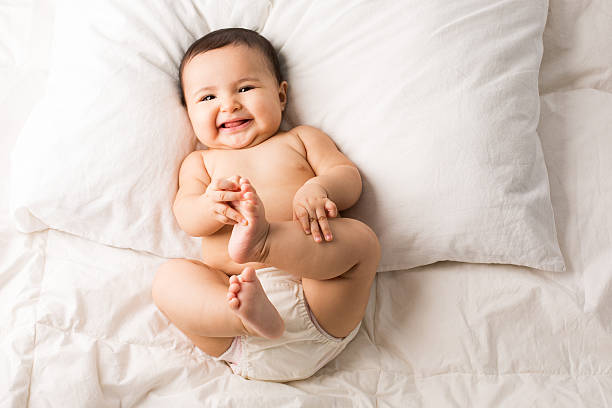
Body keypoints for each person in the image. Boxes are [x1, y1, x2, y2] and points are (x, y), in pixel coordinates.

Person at [152, 28, 381, 382]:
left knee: (360, 241)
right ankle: (239, 313)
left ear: (281, 94)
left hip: (318, 298)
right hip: (238, 321)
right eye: (207, 97)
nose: (229, 104)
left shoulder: (302, 139)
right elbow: (186, 217)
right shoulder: (200, 164)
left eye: (244, 88)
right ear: (188, 112)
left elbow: (348, 178)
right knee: (168, 280)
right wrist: (209, 206)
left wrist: (320, 187)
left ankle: (265, 243)